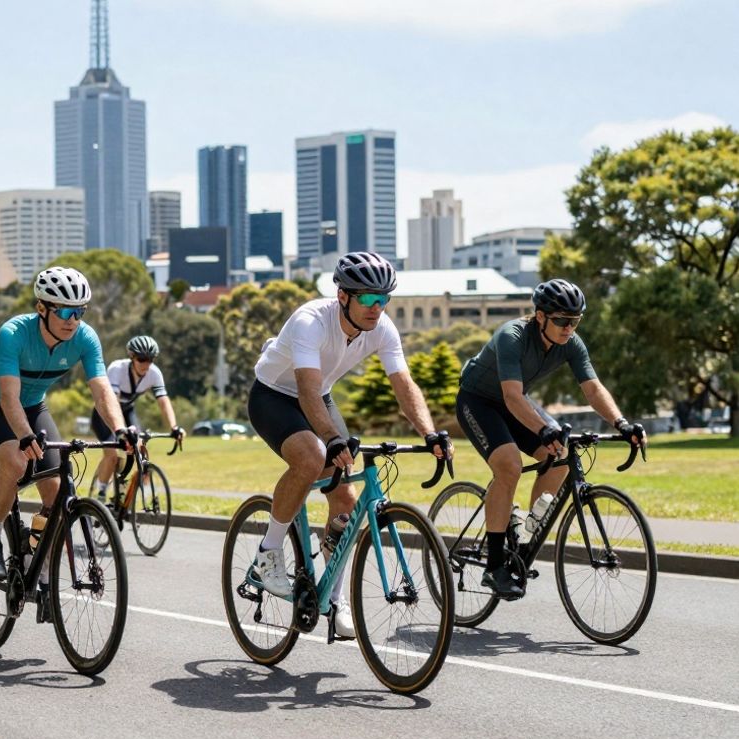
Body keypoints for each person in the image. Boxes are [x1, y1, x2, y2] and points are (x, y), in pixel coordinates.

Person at [248, 252, 450, 640]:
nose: (378, 308)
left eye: (384, 299)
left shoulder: (382, 328)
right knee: (312, 458)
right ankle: (268, 553)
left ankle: (333, 601)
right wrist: (331, 438)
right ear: (343, 296)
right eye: (369, 299)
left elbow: (403, 385)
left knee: (346, 498)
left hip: (318, 397)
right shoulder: (311, 321)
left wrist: (430, 433)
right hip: (274, 395)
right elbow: (305, 389)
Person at [456, 278, 645, 599]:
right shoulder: (512, 336)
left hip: (515, 402)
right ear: (541, 316)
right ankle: (495, 566)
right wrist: (543, 428)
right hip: (479, 401)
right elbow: (512, 396)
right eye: (562, 321)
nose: (569, 328)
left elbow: (593, 388)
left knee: (560, 456)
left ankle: (525, 534)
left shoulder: (571, 343)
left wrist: (621, 422)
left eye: (575, 321)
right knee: (509, 466)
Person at [0, 266, 137, 611]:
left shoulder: (85, 338)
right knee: (15, 463)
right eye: (63, 311)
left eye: (79, 312)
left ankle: (38, 559)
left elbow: (103, 390)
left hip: (34, 408)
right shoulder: (13, 333)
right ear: (41, 308)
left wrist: (119, 430)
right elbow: (8, 396)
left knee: (58, 490)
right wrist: (25, 435)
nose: (72, 320)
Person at [89, 335, 183, 503]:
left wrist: (174, 427)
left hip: (127, 411)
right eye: (142, 359)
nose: (146, 364)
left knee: (141, 448)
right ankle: (100, 494)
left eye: (150, 360)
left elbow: (163, 401)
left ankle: (137, 490)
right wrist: (121, 432)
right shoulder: (117, 369)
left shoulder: (154, 373)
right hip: (105, 415)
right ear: (132, 357)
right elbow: (113, 401)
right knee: (111, 456)